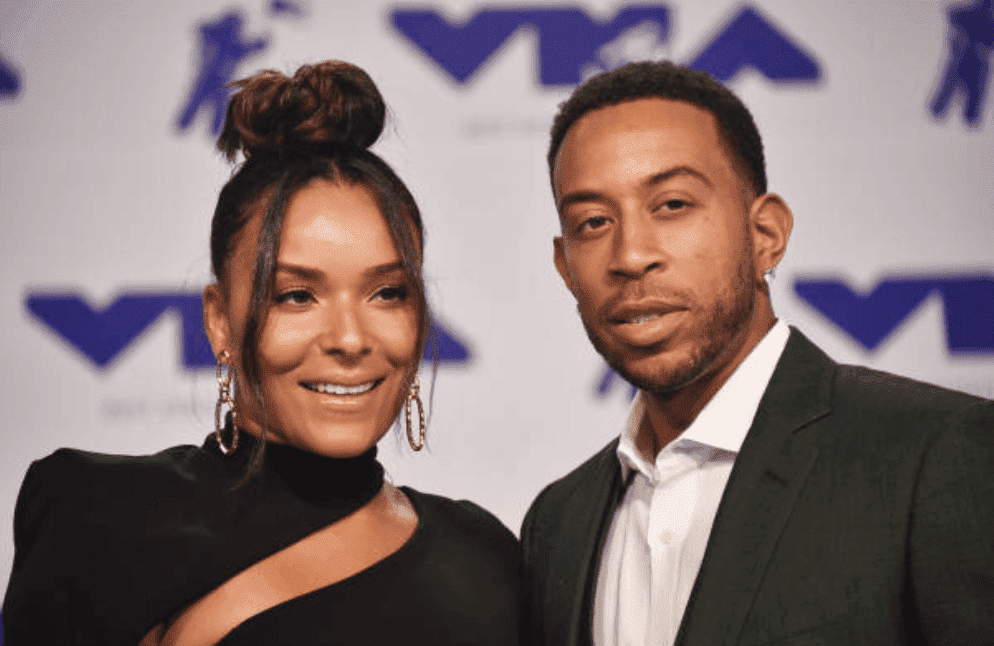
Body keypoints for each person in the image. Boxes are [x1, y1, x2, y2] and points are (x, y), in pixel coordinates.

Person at [3, 60, 520, 645]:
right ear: (220, 321)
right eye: (297, 296)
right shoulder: (96, 520)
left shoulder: (484, 559)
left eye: (387, 293)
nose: (350, 339)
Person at [521, 61, 994, 646]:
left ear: (765, 234)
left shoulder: (934, 455)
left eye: (671, 205)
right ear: (565, 266)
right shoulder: (558, 523)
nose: (630, 255)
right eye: (593, 222)